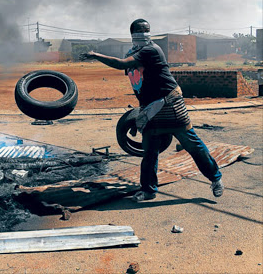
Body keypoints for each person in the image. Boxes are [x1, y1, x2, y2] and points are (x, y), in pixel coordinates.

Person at [80, 18, 224, 201]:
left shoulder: (152, 50)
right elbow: (138, 83)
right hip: (150, 109)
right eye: (140, 30)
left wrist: (96, 55)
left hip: (170, 105)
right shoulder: (134, 52)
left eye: (146, 30)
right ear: (132, 34)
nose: (144, 34)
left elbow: (123, 64)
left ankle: (216, 178)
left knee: (193, 146)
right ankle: (148, 190)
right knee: (149, 152)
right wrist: (137, 114)